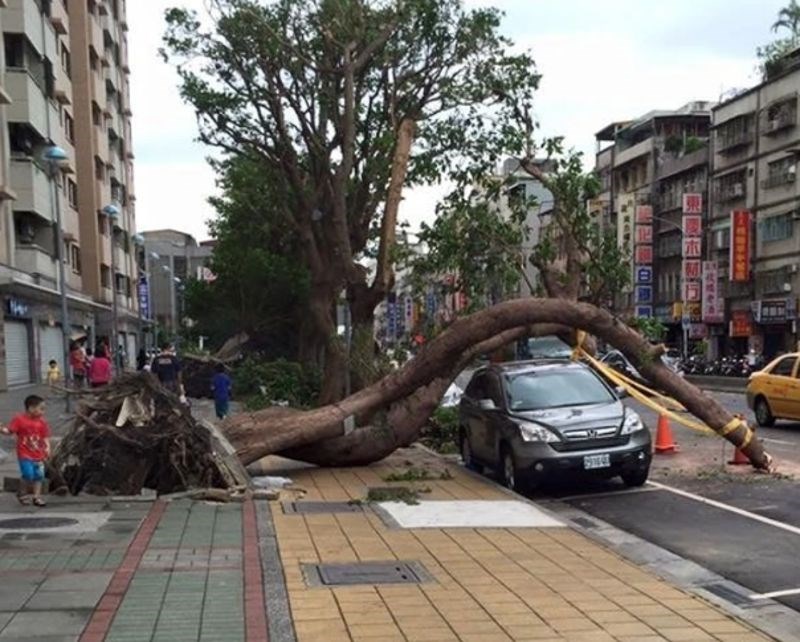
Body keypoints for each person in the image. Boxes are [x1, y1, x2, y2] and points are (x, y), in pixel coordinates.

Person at [0, 395, 51, 507]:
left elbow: (45, 437)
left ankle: (36, 497)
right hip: (25, 453)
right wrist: (2, 429)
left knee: (39, 476)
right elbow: (10, 431)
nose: (43, 412)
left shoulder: (42, 423)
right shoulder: (19, 419)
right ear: (31, 408)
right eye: (41, 409)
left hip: (39, 454)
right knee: (28, 474)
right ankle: (22, 493)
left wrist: (47, 448)